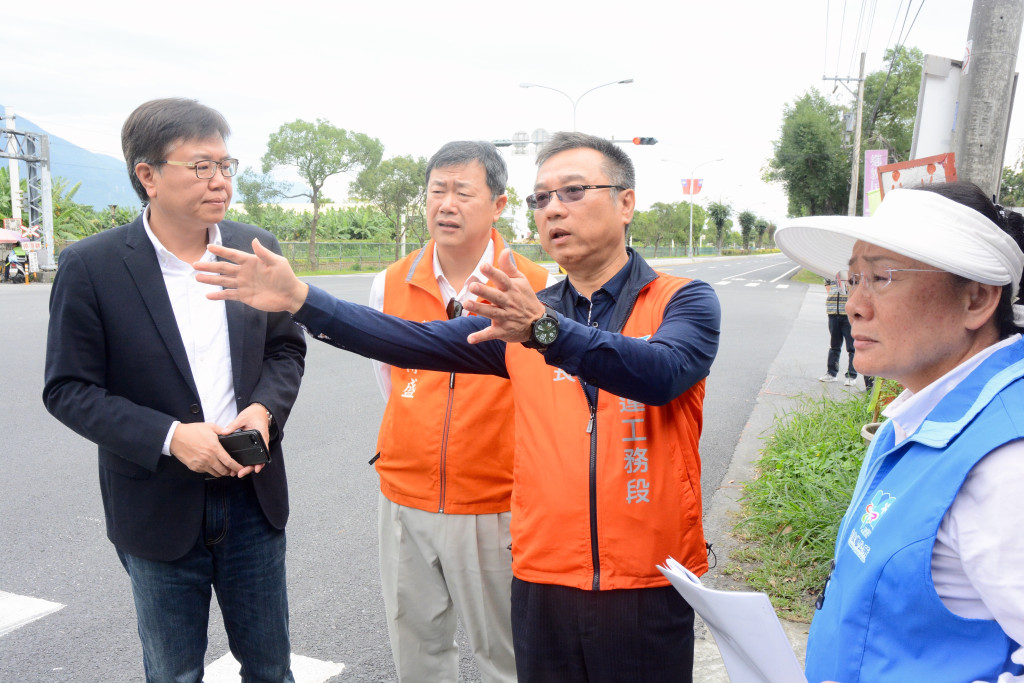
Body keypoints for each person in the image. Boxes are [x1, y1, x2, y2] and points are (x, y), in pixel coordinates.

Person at [195, 131, 722, 683]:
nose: (553, 210)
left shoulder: (679, 299)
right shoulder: (522, 316)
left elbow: (662, 374)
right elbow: (409, 341)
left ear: (626, 201)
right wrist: (302, 300)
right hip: (543, 576)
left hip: (645, 579)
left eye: (572, 192)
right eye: (541, 199)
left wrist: (542, 331)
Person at [42, 98, 307, 683]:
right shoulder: (93, 266)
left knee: (270, 669)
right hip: (156, 504)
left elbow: (286, 349)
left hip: (251, 496)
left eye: (226, 164)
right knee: (173, 673)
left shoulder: (254, 248)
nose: (220, 181)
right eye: (201, 166)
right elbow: (68, 388)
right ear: (148, 176)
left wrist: (264, 409)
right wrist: (169, 437)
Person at [775, 182, 1024, 682]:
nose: (855, 305)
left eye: (883, 278)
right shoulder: (926, 410)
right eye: (854, 278)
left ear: (976, 299)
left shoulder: (1005, 463)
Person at [368, 140, 552, 682]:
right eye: (436, 191)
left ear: (498, 205)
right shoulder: (390, 282)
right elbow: (391, 383)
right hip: (405, 500)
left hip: (499, 505)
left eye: (462, 192)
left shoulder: (538, 287)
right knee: (417, 651)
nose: (446, 204)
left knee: (509, 656)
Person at [820, 274, 859, 386]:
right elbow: (827, 285)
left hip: (847, 314)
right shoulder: (829, 271)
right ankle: (831, 373)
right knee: (834, 345)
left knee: (851, 347)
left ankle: (851, 375)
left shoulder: (849, 273)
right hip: (832, 312)